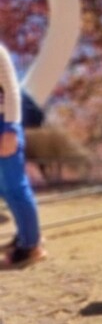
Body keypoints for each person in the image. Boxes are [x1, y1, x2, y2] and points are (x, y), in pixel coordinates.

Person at [0, 42, 46, 268]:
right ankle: (25, 234)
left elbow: (12, 90)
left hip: (5, 122)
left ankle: (31, 246)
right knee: (4, 187)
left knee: (15, 186)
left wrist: (10, 129)